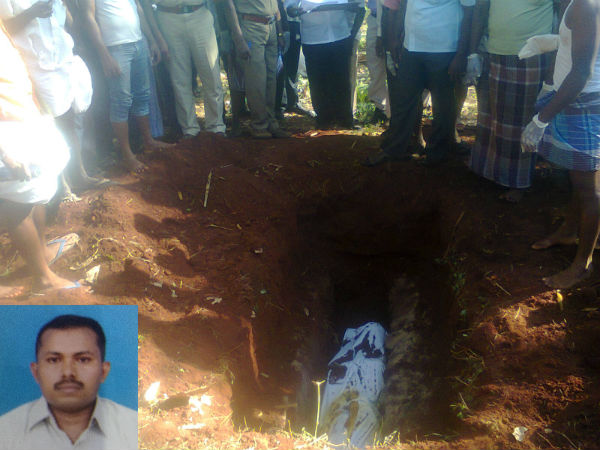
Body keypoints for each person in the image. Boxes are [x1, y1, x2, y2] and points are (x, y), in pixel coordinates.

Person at [522, 0, 600, 289]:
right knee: (578, 176)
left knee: (589, 189)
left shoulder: (584, 5)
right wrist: (559, 43)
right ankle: (569, 231)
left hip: (583, 101)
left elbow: (581, 72)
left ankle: (583, 265)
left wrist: (542, 118)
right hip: (576, 97)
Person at [0, 21, 80, 298]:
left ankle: (41, 252)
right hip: (5, 127)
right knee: (17, 202)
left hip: (21, 112)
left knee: (39, 186)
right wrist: (4, 150)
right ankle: (43, 279)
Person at [0, 0, 110, 199]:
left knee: (69, 119)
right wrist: (31, 13)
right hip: (33, 65)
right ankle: (63, 187)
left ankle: (79, 176)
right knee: (51, 125)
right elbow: (5, 29)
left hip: (59, 58)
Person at [0, 314, 138, 449]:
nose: (67, 372)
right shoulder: (5, 432)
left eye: (83, 359)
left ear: (103, 371)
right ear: (36, 372)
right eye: (54, 360)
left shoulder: (134, 428)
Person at [468, 0, 560, 203]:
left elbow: (563, 15)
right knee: (491, 117)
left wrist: (554, 65)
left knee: (520, 122)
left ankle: (518, 181)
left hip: (531, 56)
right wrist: (473, 52)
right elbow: (481, 8)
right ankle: (489, 169)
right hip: (493, 52)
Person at [364, 0, 474, 166]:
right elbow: (398, 6)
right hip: (411, 47)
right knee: (403, 101)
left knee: (443, 105)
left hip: (445, 48)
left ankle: (437, 155)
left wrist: (461, 54)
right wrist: (394, 40)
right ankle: (394, 150)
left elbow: (469, 12)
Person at [80, 0, 173, 173]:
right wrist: (104, 54)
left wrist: (151, 40)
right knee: (121, 102)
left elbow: (138, 9)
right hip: (115, 48)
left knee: (142, 95)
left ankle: (148, 142)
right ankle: (127, 154)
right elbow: (88, 17)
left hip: (138, 42)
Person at [142, 0, 227, 139]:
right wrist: (158, 38)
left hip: (200, 15)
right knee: (179, 79)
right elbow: (146, 5)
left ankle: (216, 127)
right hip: (167, 18)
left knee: (211, 74)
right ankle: (189, 129)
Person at [287, 0, 365, 130]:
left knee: (342, 80)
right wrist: (298, 9)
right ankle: (324, 119)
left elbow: (359, 7)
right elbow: (290, 9)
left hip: (340, 34)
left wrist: (352, 35)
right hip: (313, 38)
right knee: (317, 81)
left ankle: (345, 120)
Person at [225, 0, 291, 138]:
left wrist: (280, 32)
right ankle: (259, 124)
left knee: (271, 78)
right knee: (256, 79)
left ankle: (271, 122)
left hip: (272, 25)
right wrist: (238, 38)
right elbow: (229, 5)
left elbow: (276, 4)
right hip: (251, 26)